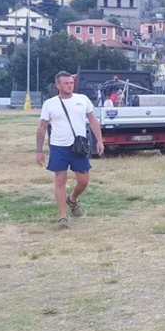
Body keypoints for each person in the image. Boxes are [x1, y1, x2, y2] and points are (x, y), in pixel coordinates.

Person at [35, 71, 105, 228]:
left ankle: (72, 199)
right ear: (57, 85)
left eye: (71, 83)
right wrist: (39, 151)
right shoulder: (50, 104)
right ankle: (63, 216)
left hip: (78, 146)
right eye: (66, 83)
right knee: (60, 180)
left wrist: (99, 141)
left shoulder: (82, 100)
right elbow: (42, 128)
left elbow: (93, 121)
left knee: (83, 181)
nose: (69, 85)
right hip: (59, 147)